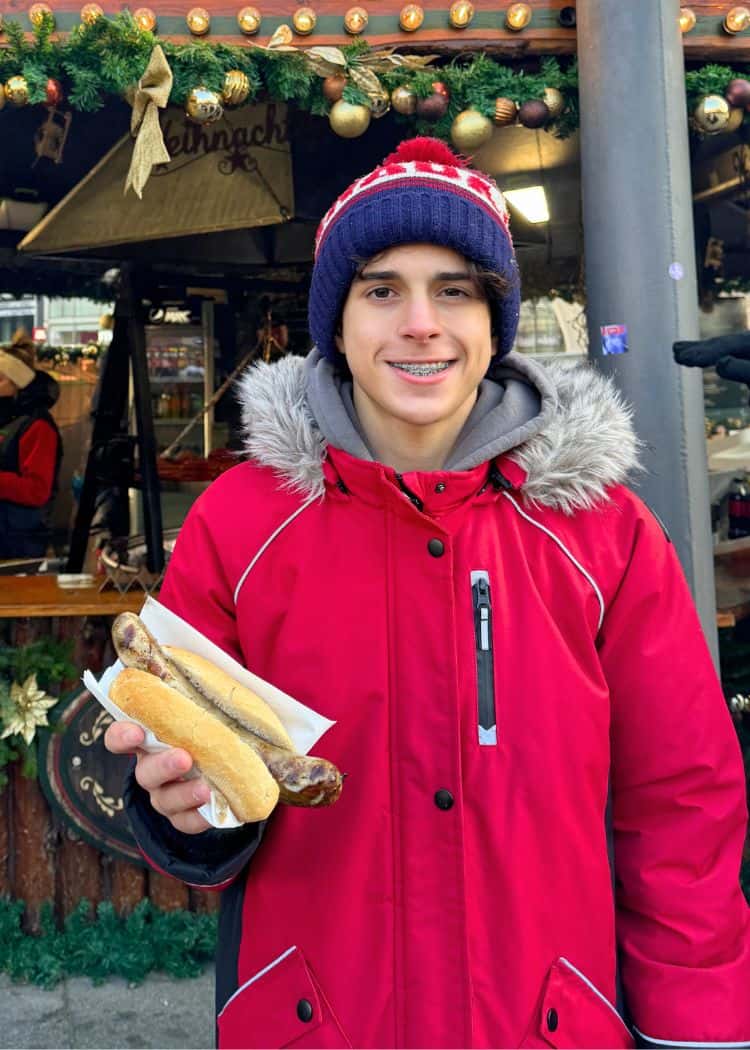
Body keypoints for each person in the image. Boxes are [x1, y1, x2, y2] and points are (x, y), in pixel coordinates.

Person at [105, 138, 750, 1049]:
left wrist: (697, 1030)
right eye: (382, 290)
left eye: (454, 290)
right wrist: (186, 812)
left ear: (494, 322)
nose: (420, 323)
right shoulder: (240, 522)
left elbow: (680, 802)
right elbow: (194, 766)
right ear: (337, 323)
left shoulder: (601, 533)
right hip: (315, 1022)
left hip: (547, 1023)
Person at [0, 329, 62, 559]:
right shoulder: (8, 419)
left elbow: (37, 490)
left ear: (18, 385)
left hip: (19, 540)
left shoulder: (37, 426)